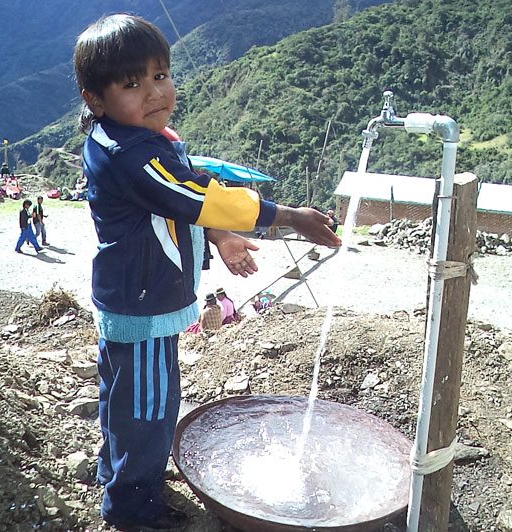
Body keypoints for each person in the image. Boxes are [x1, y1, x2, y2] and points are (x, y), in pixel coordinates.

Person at [73, 13, 340, 531]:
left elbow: (179, 191)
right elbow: (193, 196)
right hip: (144, 306)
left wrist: (219, 234)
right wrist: (287, 217)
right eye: (132, 84)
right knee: (149, 408)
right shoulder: (130, 155)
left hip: (131, 296)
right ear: (95, 99)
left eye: (160, 75)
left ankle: (116, 472)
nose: (155, 92)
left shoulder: (130, 139)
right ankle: (133, 507)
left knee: (123, 397)